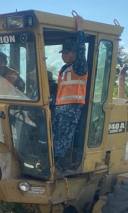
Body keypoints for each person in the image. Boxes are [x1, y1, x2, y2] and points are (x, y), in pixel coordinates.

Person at [53, 13, 88, 172]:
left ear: (74, 53)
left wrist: (80, 29)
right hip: (60, 108)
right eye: (62, 53)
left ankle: (58, 165)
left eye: (66, 52)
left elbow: (82, 50)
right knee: (54, 136)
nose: (63, 55)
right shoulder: (63, 70)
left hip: (71, 108)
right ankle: (52, 161)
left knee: (63, 138)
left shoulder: (78, 67)